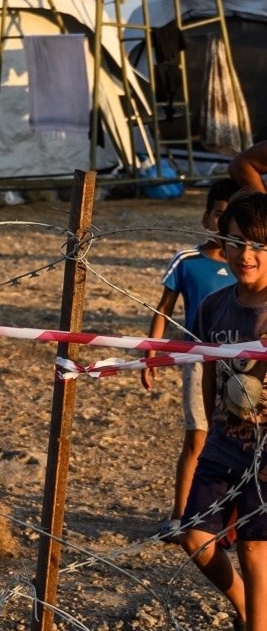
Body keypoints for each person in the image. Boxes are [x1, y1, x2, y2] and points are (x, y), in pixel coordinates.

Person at [181, 191, 267, 631]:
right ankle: (247, 608)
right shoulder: (214, 306)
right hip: (224, 444)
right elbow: (210, 370)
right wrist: (213, 425)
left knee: (254, 547)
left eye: (258, 245)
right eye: (235, 242)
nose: (245, 254)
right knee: (194, 534)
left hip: (266, 453)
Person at [142, 178, 239, 540]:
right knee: (198, 439)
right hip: (197, 359)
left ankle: (229, 522)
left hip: (242, 364)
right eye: (218, 215)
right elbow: (163, 310)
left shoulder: (248, 264)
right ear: (206, 218)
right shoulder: (187, 261)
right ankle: (180, 517)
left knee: (239, 440)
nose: (222, 224)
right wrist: (150, 352)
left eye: (231, 218)